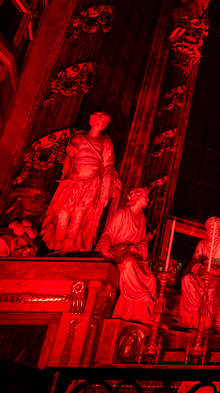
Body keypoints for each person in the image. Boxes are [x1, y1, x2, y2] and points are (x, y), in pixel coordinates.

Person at [41, 112, 121, 252]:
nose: (105, 124)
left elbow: (108, 164)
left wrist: (111, 175)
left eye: (106, 123)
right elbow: (70, 157)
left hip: (92, 181)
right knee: (63, 211)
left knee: (79, 212)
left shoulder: (105, 141)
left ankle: (69, 243)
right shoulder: (78, 138)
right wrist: (67, 173)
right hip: (75, 178)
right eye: (103, 121)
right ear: (94, 120)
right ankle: (58, 242)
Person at [96, 187, 157, 325]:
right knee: (129, 264)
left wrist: (138, 249)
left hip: (133, 255)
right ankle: (143, 296)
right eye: (146, 196)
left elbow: (142, 242)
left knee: (151, 279)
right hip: (118, 254)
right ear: (137, 196)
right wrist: (105, 248)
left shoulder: (142, 219)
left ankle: (146, 316)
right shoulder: (122, 213)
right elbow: (108, 234)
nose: (148, 199)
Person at [179, 216, 220, 331]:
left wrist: (219, 268)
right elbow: (194, 261)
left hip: (216, 276)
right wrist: (200, 266)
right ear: (207, 230)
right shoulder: (201, 244)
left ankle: (213, 323)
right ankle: (194, 317)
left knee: (212, 290)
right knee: (186, 279)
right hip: (202, 274)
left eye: (216, 229)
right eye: (211, 229)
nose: (213, 232)